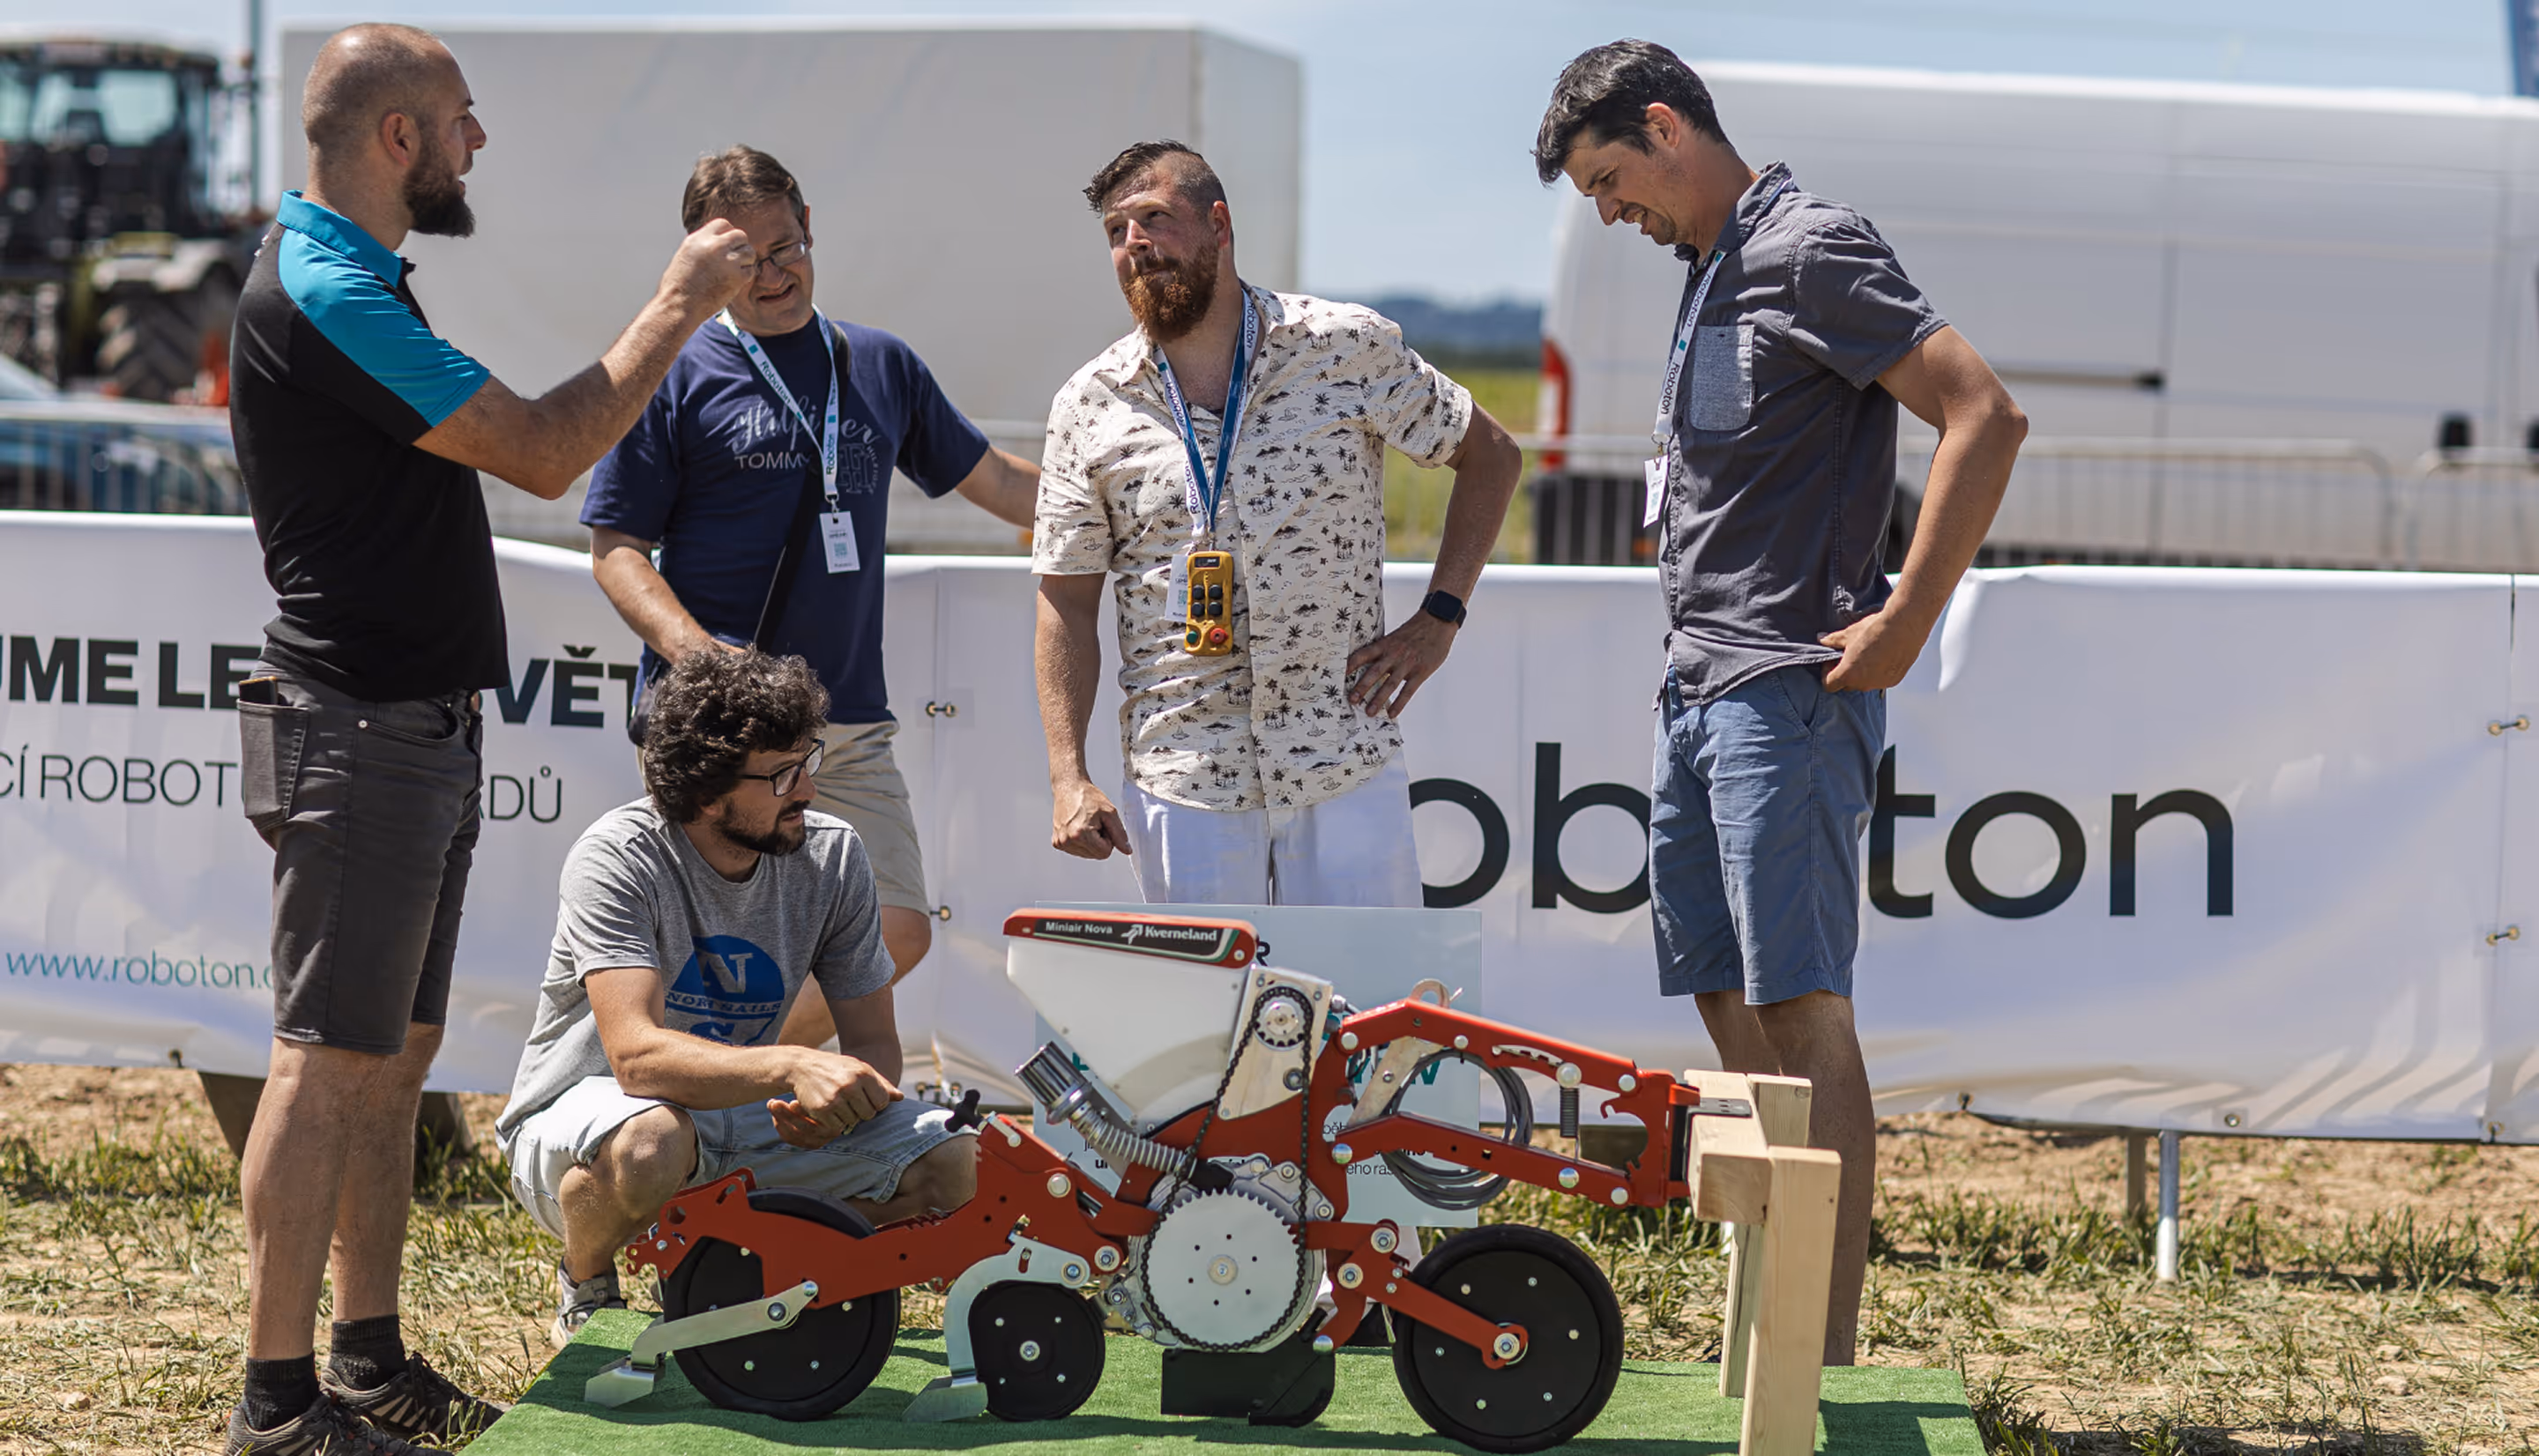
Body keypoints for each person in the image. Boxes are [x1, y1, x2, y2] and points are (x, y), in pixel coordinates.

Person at [225, 22, 754, 1455]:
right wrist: (678, 302)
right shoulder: (327, 283)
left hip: (407, 726)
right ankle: (276, 1407)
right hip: (359, 726)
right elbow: (538, 446)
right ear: (399, 137)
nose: (479, 142)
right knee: (323, 1060)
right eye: (464, 117)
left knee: (389, 1062)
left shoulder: (348, 276)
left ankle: (366, 1358)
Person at [1532, 41, 2026, 1365]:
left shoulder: (1808, 245)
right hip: (1696, 684)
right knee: (1722, 996)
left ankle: (1818, 1355)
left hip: (1782, 692)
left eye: (1608, 180)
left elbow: (1982, 414)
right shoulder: (1712, 265)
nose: (1607, 212)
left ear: (1664, 126)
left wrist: (1909, 617)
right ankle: (1776, 1312)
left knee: (1805, 1014)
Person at [585, 145, 1039, 1047]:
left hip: (845, 724)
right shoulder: (670, 369)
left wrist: (1131, 504)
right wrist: (702, 658)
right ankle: (699, 1108)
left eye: (786, 243)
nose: (774, 270)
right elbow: (616, 550)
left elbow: (996, 481)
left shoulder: (877, 363)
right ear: (703, 261)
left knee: (897, 924)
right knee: (708, 947)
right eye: (744, 255)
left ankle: (733, 1071)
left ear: (811, 232)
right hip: (715, 728)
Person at [1033, 140, 1524, 906]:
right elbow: (1065, 598)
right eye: (1115, 232)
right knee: (1201, 1023)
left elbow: (1491, 454)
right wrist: (1069, 776)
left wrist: (1442, 616)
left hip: (1341, 758)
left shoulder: (1343, 347)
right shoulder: (1089, 404)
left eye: (1154, 219)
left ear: (1218, 224)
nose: (1134, 244)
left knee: (1367, 1015)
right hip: (1183, 776)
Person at [495, 649, 976, 1345]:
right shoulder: (617, 856)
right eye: (781, 775)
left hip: (735, 1119)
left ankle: (763, 1272)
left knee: (955, 1159)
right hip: (588, 1121)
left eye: (807, 759)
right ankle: (587, 1281)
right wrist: (788, 1067)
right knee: (653, 1141)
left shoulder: (834, 854)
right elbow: (634, 1058)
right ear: (705, 792)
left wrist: (845, 1108)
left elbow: (873, 1045)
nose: (807, 788)